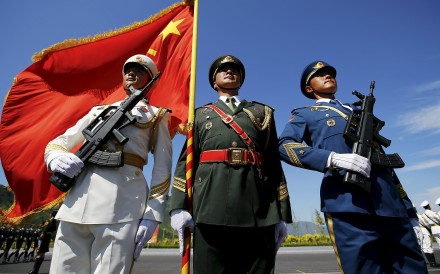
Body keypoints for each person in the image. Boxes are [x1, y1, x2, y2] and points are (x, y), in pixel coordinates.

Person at [278, 60, 427, 273]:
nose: (328, 76)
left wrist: (409, 210)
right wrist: (331, 158)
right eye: (320, 75)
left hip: (390, 203)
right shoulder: (306, 114)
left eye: (330, 73)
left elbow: (384, 163)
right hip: (347, 201)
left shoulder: (357, 110)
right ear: (309, 88)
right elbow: (285, 146)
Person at [44, 54, 172, 274]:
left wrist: (152, 214)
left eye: (139, 71)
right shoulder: (99, 111)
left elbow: (162, 169)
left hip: (121, 207)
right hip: (77, 205)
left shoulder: (156, 116)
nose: (131, 73)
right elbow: (59, 142)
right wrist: (55, 158)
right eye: (128, 70)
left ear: (151, 81)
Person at [169, 54, 293, 274]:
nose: (229, 71)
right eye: (223, 69)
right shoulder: (199, 115)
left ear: (241, 79)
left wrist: (282, 213)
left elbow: (274, 163)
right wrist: (178, 207)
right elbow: (186, 161)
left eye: (235, 69)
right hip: (209, 207)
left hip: (259, 209)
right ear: (214, 82)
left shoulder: (261, 112)